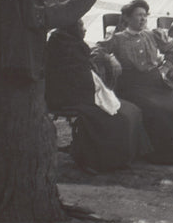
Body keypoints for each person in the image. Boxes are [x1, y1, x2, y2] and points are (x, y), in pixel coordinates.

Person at [44, 19, 150, 171]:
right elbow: (68, 79)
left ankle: (124, 156)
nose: (85, 29)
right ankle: (103, 159)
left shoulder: (72, 43)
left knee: (132, 110)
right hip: (68, 97)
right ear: (70, 27)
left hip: (82, 92)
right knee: (119, 118)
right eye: (81, 26)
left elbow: (83, 74)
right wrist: (96, 93)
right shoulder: (62, 46)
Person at [104, 0, 173, 164]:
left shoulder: (152, 35)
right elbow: (97, 50)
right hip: (132, 85)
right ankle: (157, 153)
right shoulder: (117, 38)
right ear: (127, 18)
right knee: (154, 108)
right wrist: (110, 58)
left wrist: (164, 68)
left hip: (155, 82)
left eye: (145, 15)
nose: (143, 19)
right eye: (138, 15)